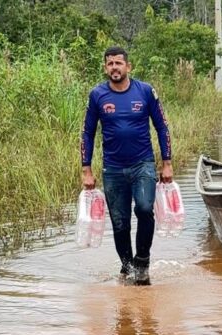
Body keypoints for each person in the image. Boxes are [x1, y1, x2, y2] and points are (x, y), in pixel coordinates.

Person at [81, 45, 173, 285]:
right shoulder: (97, 95)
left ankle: (142, 261)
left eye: (118, 63)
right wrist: (86, 169)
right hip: (113, 169)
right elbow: (87, 133)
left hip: (143, 164)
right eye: (110, 64)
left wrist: (167, 163)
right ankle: (127, 267)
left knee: (144, 209)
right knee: (119, 224)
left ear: (128, 66)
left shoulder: (145, 91)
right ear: (105, 68)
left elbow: (162, 127)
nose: (114, 67)